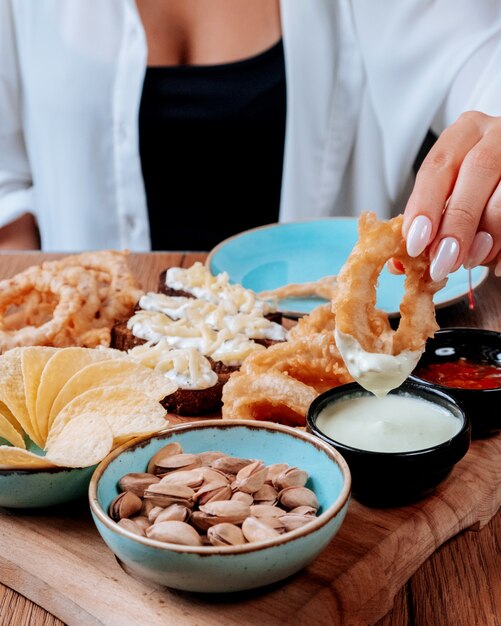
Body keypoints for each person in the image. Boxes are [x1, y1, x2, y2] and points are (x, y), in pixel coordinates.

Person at [0, 1, 500, 280]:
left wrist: (492, 135)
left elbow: (483, 56)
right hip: (90, 383)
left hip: (338, 391)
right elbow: (7, 196)